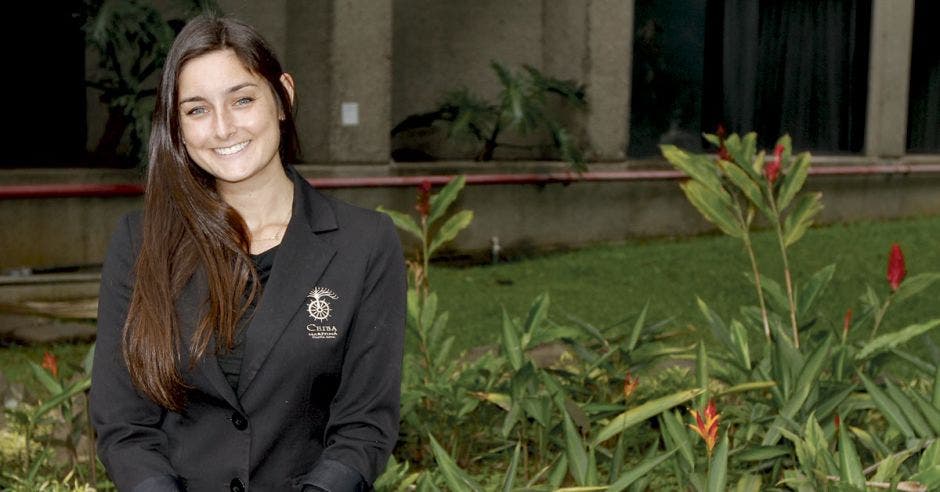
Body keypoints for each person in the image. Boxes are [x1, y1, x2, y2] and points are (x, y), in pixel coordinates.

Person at [89, 14, 406, 492]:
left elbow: (364, 426)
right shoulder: (140, 243)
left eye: (242, 99)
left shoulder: (365, 242)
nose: (222, 127)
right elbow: (123, 426)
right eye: (196, 110)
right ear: (176, 126)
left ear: (282, 96)